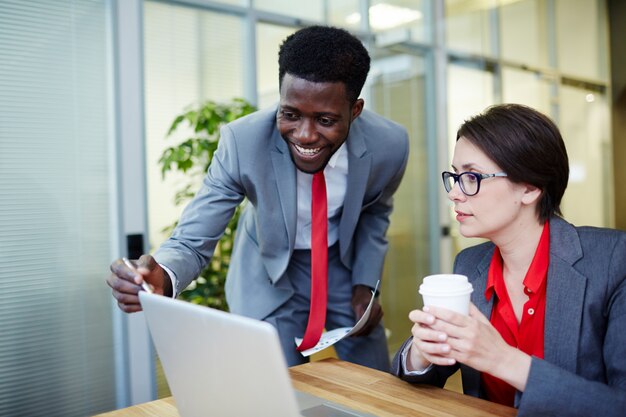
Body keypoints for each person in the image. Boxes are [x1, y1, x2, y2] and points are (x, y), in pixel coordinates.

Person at [107, 25, 409, 371]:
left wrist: (365, 284)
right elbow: (193, 238)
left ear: (355, 110)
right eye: (290, 114)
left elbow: (375, 214)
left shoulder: (391, 146)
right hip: (269, 271)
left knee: (374, 381)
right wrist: (163, 272)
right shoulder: (243, 142)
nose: (305, 135)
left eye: (325, 120)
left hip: (343, 264)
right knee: (279, 385)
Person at [390, 103, 626, 416]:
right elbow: (421, 375)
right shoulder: (470, 265)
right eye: (455, 176)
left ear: (529, 188)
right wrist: (421, 353)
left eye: (471, 177)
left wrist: (503, 359)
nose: (455, 193)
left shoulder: (612, 259)